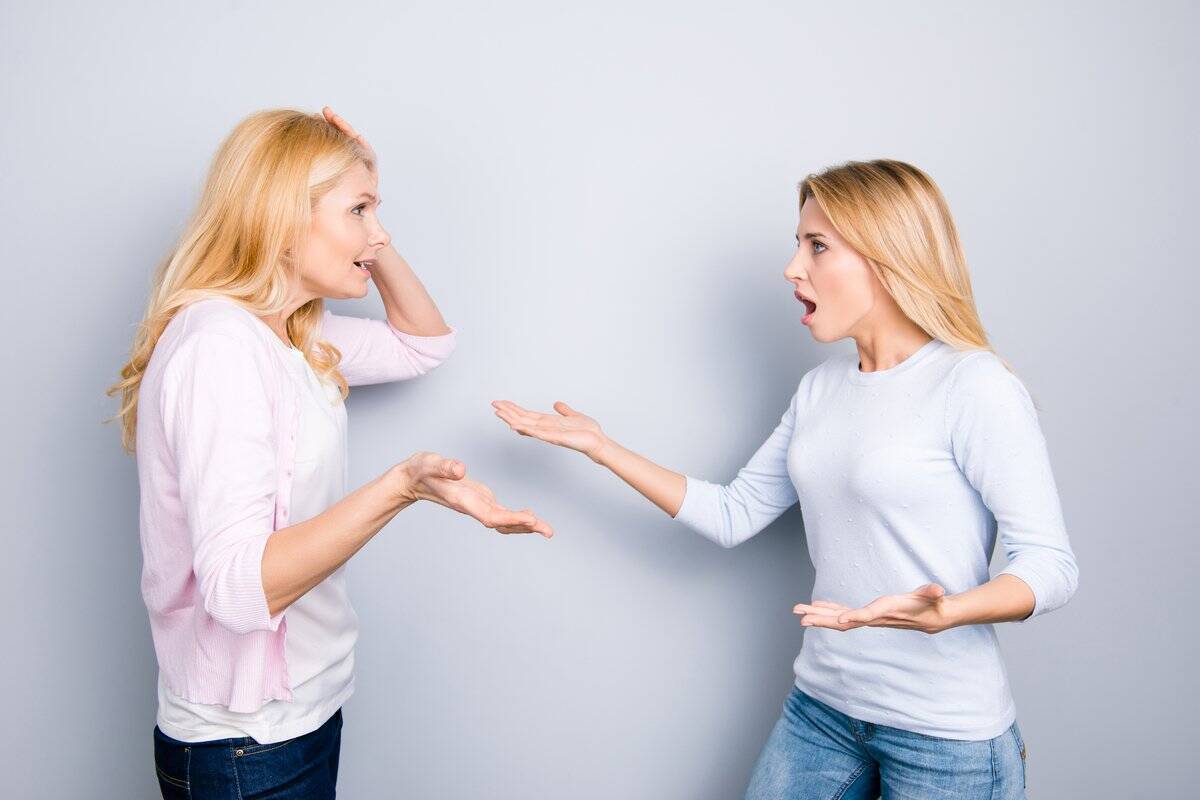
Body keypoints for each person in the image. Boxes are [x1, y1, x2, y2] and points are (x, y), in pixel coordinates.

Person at [492, 159, 1077, 799]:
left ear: (887, 256)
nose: (792, 268)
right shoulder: (821, 388)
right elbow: (733, 513)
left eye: (817, 246)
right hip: (823, 709)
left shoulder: (973, 384)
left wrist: (950, 612)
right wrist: (603, 449)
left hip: (944, 734)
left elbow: (1050, 565)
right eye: (798, 244)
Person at [108, 107, 552, 799]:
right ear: (283, 215)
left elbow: (424, 344)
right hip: (245, 743)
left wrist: (363, 204)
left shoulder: (292, 334)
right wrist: (402, 487)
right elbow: (240, 591)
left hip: (300, 716)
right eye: (359, 211)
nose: (381, 232)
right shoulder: (220, 348)